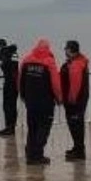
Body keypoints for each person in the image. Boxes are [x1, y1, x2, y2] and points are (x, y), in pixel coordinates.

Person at [19, 38, 62, 166]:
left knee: (32, 128)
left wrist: (22, 95)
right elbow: (55, 83)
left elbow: (20, 80)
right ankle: (37, 155)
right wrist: (59, 98)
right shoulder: (49, 62)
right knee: (43, 128)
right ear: (48, 49)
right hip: (46, 103)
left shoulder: (26, 60)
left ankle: (30, 154)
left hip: (30, 102)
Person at [62, 40, 90, 161]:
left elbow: (75, 83)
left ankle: (79, 151)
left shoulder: (77, 64)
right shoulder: (75, 62)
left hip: (75, 101)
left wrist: (71, 99)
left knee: (76, 124)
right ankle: (77, 147)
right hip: (78, 99)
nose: (64, 51)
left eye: (66, 49)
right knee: (75, 124)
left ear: (70, 50)